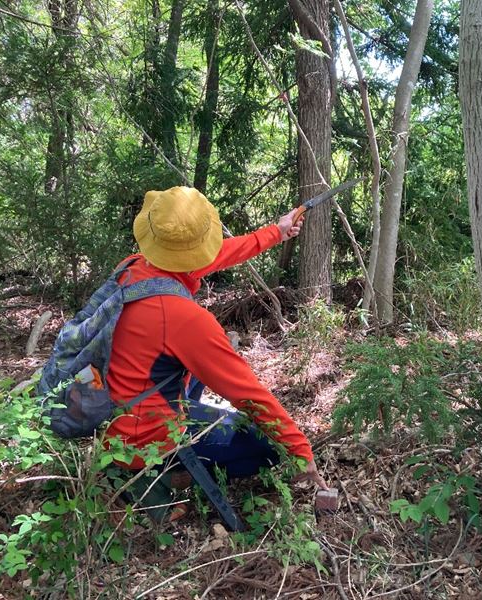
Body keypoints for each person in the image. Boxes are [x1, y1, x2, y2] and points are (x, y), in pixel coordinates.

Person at [104, 185, 327, 521]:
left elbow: (215, 255)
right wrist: (299, 449)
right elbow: (246, 392)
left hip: (116, 410)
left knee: (183, 372)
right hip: (143, 436)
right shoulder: (182, 319)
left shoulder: (134, 268)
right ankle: (158, 476)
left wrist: (275, 233)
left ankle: (154, 463)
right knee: (267, 446)